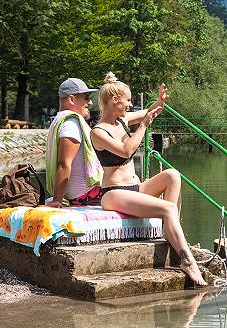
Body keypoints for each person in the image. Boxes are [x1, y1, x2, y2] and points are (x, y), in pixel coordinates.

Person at [89, 71, 206, 286]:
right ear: (114, 100)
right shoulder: (98, 131)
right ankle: (187, 259)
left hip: (135, 187)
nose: (130, 105)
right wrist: (143, 126)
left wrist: (159, 102)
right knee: (168, 208)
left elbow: (150, 112)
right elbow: (126, 150)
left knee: (172, 175)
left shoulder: (122, 120)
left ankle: (174, 237)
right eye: (128, 100)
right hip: (114, 193)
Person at [45, 78, 103, 207]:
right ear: (71, 99)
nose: (90, 102)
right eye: (86, 98)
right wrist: (57, 200)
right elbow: (64, 164)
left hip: (82, 195)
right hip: (86, 196)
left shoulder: (60, 119)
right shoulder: (71, 123)